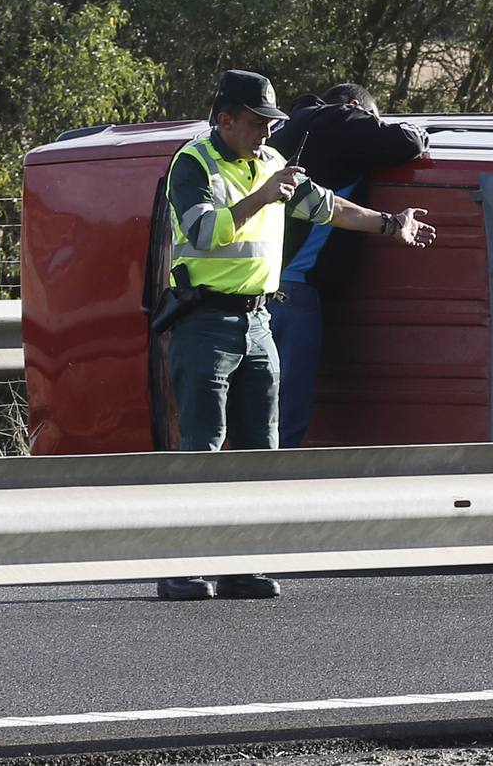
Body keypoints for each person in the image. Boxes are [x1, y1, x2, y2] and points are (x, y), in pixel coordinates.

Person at [158, 69, 435, 602]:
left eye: (271, 123)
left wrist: (388, 223)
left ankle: (243, 565)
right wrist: (261, 198)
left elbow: (325, 206)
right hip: (205, 323)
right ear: (226, 120)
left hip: (258, 321)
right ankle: (184, 567)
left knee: (262, 449)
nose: (267, 132)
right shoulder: (192, 163)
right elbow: (202, 231)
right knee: (203, 447)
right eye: (258, 122)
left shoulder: (271, 162)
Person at [266, 84, 431, 448]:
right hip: (296, 290)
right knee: (288, 409)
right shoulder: (336, 120)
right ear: (357, 109)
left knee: (260, 402)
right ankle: (268, 488)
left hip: (261, 286)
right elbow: (407, 142)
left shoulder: (286, 130)